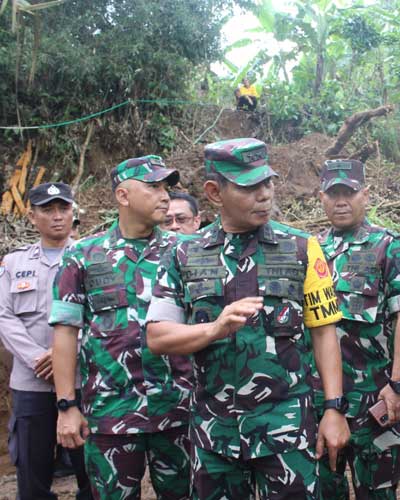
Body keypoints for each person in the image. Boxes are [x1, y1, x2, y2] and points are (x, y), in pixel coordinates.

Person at [145, 138, 350, 499]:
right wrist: (215, 328)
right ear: (214, 192)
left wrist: (334, 409)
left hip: (286, 431)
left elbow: (324, 332)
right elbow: (158, 337)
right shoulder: (183, 254)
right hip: (214, 435)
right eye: (249, 186)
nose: (264, 194)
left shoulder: (303, 248)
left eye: (267, 183)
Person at [49, 156, 193, 500]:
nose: (164, 196)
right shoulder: (83, 256)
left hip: (179, 409)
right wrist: (66, 406)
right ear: (123, 196)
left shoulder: (186, 251)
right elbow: (65, 332)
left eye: (167, 188)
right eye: (154, 187)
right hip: (111, 413)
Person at [315, 159, 400, 499]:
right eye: (334, 194)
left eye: (350, 192)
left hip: (373, 397)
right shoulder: (312, 249)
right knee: (324, 488)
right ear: (322, 198)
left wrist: (399, 383)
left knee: (376, 491)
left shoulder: (388, 246)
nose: (341, 201)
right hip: (323, 401)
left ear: (366, 195)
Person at [0, 182, 92, 500]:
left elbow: (101, 317)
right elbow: (4, 317)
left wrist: (65, 354)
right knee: (32, 473)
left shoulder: (92, 257)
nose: (57, 217)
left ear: (73, 211)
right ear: (31, 216)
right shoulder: (13, 264)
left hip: (83, 380)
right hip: (31, 382)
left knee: (91, 472)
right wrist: (39, 357)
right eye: (47, 210)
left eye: (63, 208)